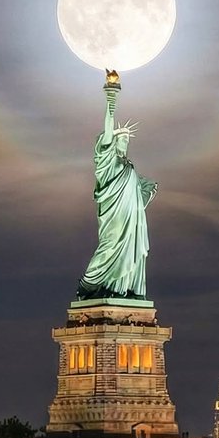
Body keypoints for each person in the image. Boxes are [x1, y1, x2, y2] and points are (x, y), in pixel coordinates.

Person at [76, 75, 156, 300]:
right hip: (114, 217)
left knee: (130, 251)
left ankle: (122, 289)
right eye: (122, 139)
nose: (125, 141)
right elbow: (108, 129)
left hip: (130, 220)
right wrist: (111, 98)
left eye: (127, 140)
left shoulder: (130, 167)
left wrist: (145, 194)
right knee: (109, 247)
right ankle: (89, 284)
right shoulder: (107, 164)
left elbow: (135, 201)